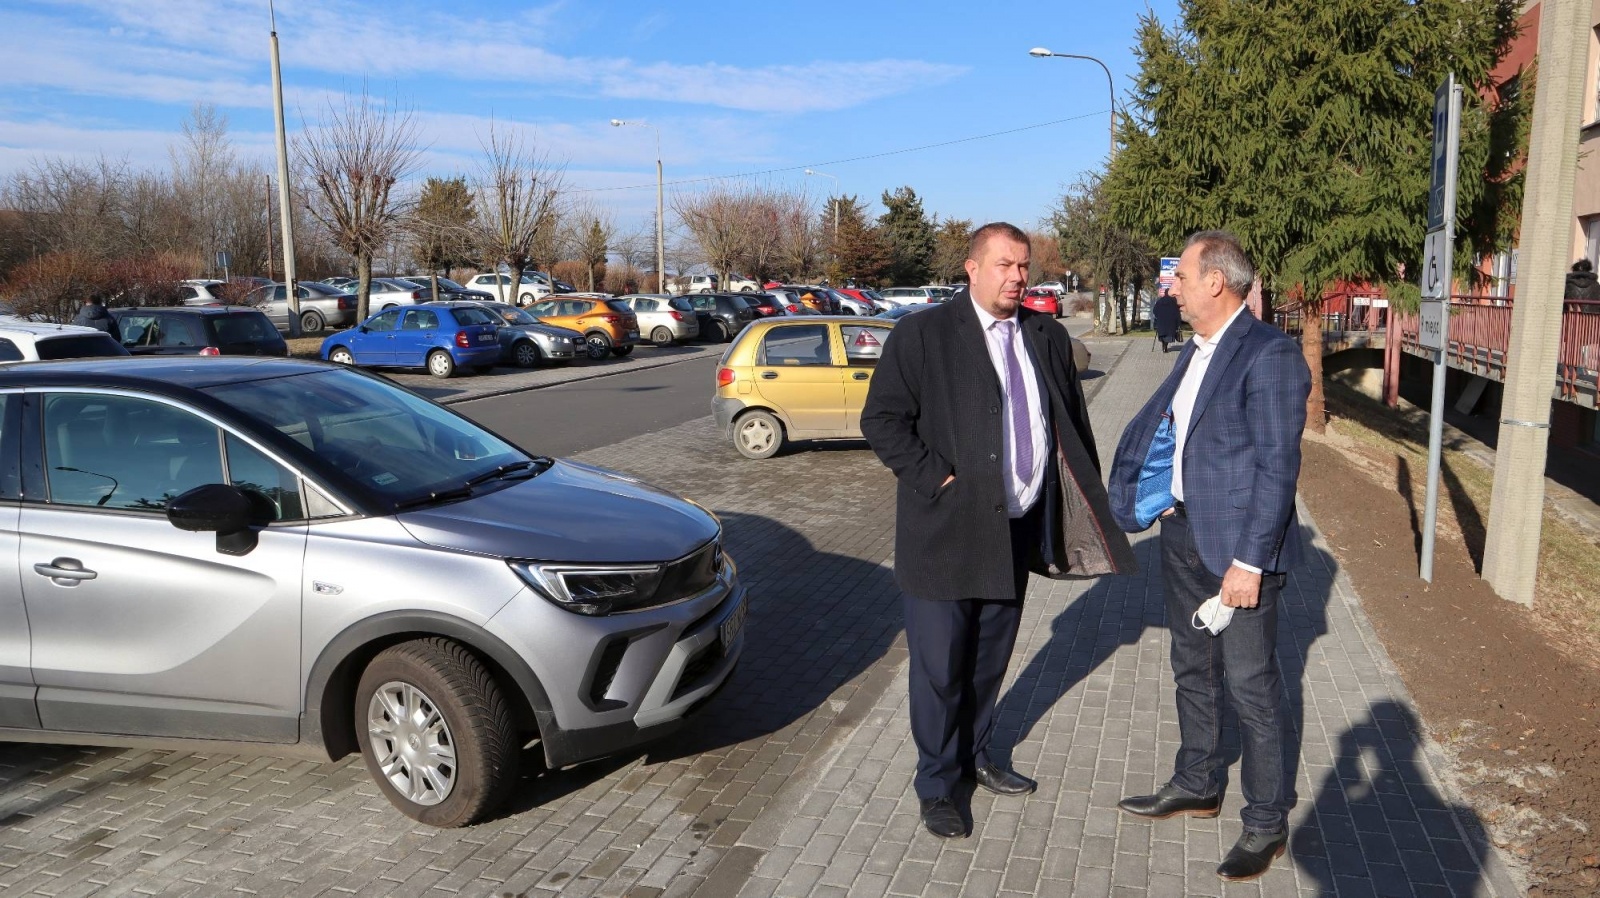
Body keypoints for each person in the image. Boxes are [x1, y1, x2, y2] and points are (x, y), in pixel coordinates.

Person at [861, 222, 1136, 840]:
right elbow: (881, 421)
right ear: (973, 268)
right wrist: (940, 479)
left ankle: (978, 754)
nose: (1018, 276)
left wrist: (1072, 498)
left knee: (988, 660)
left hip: (1013, 529)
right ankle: (937, 782)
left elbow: (1069, 424)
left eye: (1024, 265)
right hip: (944, 534)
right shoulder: (924, 334)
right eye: (1006, 265)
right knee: (939, 668)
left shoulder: (1045, 335)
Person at [1106, 230, 1311, 883]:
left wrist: (1251, 562)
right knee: (1191, 669)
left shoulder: (1269, 355)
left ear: (1216, 282)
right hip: (1183, 535)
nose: (1173, 287)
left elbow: (1278, 469)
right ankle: (1197, 781)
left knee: (1251, 685)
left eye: (1182, 277)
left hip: (1239, 554)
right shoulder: (1194, 350)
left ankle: (1266, 820)